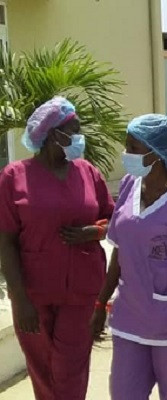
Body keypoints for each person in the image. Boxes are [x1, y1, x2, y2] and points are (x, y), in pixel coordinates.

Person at [0, 97, 114, 400]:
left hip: (82, 289)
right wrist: (21, 299)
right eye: (73, 131)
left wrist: (95, 231)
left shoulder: (88, 172)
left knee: (70, 367)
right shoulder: (14, 177)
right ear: (52, 135)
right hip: (33, 292)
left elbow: (116, 219)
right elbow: (6, 241)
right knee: (41, 366)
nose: (80, 138)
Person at [90, 114, 167, 400]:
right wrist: (100, 303)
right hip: (130, 318)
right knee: (124, 393)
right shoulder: (130, 185)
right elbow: (119, 249)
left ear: (157, 152)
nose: (125, 154)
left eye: (133, 147)